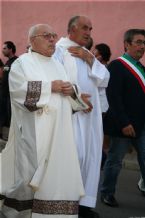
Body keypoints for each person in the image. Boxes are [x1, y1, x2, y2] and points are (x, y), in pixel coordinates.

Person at [0, 24, 85, 218]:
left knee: (58, 172)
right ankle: (21, 212)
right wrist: (49, 87)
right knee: (30, 175)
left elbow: (72, 94)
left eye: (54, 36)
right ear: (32, 40)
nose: (52, 40)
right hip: (34, 130)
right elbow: (17, 91)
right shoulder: (23, 62)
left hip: (60, 130)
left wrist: (72, 91)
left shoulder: (58, 64)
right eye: (46, 36)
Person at [54, 15, 109, 218]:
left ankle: (83, 205)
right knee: (73, 159)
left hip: (90, 120)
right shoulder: (59, 50)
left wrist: (91, 59)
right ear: (72, 29)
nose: (88, 32)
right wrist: (76, 99)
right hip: (71, 117)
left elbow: (105, 79)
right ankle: (66, 206)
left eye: (91, 28)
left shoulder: (86, 53)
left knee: (89, 158)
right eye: (85, 28)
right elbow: (54, 81)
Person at [101, 29, 145, 207]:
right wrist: (124, 122)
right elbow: (113, 98)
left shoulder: (141, 67)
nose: (142, 47)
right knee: (115, 161)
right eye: (139, 42)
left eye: (144, 43)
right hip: (123, 126)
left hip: (141, 125)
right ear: (127, 44)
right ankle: (107, 192)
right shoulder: (117, 66)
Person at [92, 43, 111, 169]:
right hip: (97, 106)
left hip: (102, 107)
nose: (93, 55)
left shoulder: (104, 69)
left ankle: (101, 159)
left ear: (102, 56)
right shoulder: (95, 67)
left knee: (99, 134)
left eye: (96, 54)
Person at [1, 41, 18, 140]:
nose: (2, 51)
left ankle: (14, 137)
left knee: (12, 116)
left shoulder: (16, 61)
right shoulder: (7, 62)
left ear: (10, 49)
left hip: (11, 95)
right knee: (6, 117)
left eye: (4, 48)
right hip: (4, 95)